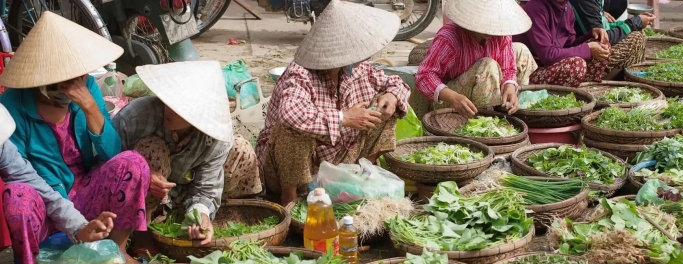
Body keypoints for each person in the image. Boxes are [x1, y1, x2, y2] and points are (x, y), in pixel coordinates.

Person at [0, 13, 149, 264]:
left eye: (76, 78)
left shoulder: (87, 86)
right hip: (43, 200)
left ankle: (116, 249)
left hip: (86, 191)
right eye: (59, 83)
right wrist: (72, 221)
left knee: (133, 163)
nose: (70, 88)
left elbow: (113, 156)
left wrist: (90, 108)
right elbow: (21, 174)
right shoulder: (13, 103)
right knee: (16, 196)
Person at [255, 0, 410, 207]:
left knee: (384, 108)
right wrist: (344, 118)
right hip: (290, 169)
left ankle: (364, 179)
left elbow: (395, 82)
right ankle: (289, 199)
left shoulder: (358, 69)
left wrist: (391, 96)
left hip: (337, 157)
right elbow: (290, 114)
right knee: (291, 129)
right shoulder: (300, 74)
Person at [114, 61, 262, 248]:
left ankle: (215, 216)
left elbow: (206, 189)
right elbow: (107, 163)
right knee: (152, 149)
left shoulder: (214, 137)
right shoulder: (136, 117)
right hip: (133, 196)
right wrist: (141, 174)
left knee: (241, 149)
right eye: (169, 101)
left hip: (183, 191)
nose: (169, 110)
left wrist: (199, 215)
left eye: (180, 108)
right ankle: (142, 232)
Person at [410, 0, 536, 116]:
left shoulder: (501, 34)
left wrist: (510, 87)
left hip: (485, 90)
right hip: (449, 100)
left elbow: (508, 68)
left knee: (521, 50)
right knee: (488, 65)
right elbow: (424, 76)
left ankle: (506, 107)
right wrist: (453, 97)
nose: (491, 29)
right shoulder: (450, 37)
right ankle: (482, 117)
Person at [515, 0, 611, 87]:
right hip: (531, 73)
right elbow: (548, 56)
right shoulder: (535, 7)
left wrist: (591, 34)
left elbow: (569, 46)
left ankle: (582, 89)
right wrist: (588, 49)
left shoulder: (567, 8)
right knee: (576, 65)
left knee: (602, 43)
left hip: (553, 65)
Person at [570, 0, 655, 78]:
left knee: (638, 33)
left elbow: (603, 28)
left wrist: (635, 22)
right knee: (636, 38)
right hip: (578, 54)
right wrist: (633, 23)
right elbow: (603, 38)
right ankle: (606, 82)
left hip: (581, 46)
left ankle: (624, 80)